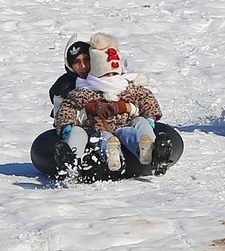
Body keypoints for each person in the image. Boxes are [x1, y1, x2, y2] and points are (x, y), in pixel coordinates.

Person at [53, 33, 169, 175]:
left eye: (87, 60)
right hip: (91, 132)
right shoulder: (68, 88)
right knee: (90, 135)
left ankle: (152, 149)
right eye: (77, 62)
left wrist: (127, 108)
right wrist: (90, 110)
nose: (83, 66)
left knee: (138, 123)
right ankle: (71, 160)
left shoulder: (121, 82)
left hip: (124, 128)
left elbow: (144, 98)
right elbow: (64, 111)